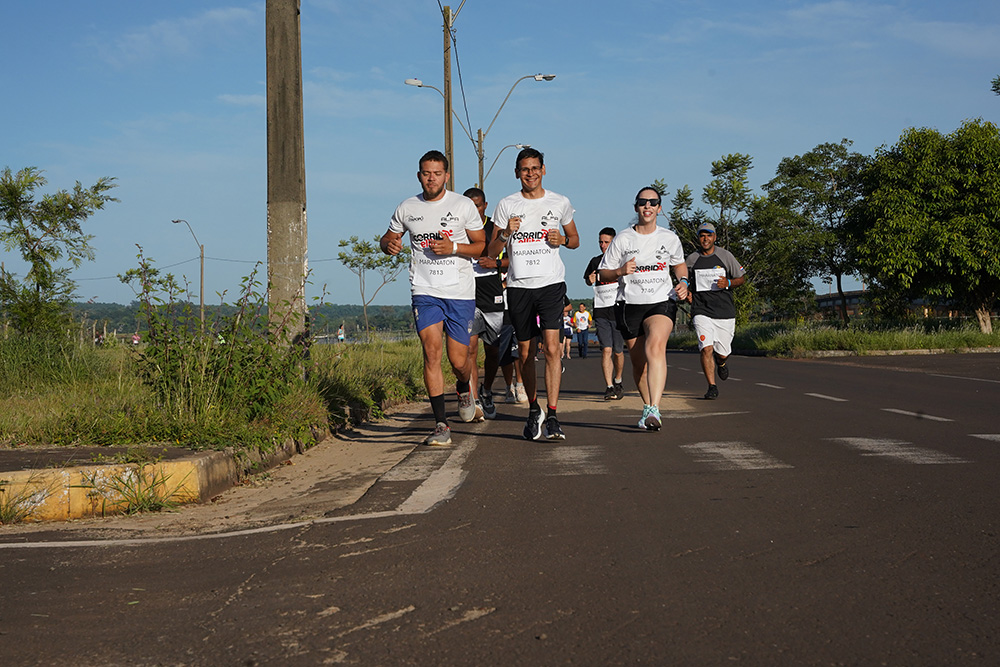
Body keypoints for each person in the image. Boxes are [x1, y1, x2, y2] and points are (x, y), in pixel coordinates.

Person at [381, 150, 486, 445]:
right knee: (431, 352)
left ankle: (464, 388)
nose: (431, 179)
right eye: (426, 174)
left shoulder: (463, 205)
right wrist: (388, 245)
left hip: (459, 292)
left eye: (437, 174)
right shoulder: (407, 207)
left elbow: (481, 246)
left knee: (459, 361)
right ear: (419, 176)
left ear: (447, 176)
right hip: (424, 291)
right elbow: (387, 238)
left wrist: (454, 248)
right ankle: (441, 425)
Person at [487, 147, 579, 440]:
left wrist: (562, 239)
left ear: (543, 170)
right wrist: (505, 233)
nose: (530, 174)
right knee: (525, 353)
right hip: (518, 287)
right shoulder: (507, 205)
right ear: (517, 173)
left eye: (535, 168)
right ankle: (533, 409)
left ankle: (552, 415)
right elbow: (490, 251)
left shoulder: (560, 202)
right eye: (525, 169)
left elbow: (575, 240)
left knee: (552, 349)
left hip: (551, 284)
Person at [599, 186, 689, 431]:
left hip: (661, 301)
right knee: (639, 365)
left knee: (655, 347)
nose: (647, 206)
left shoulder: (669, 238)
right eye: (642, 202)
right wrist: (620, 271)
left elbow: (679, 265)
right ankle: (648, 406)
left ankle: (654, 409)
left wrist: (683, 282)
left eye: (653, 202)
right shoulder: (623, 239)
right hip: (629, 305)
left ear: (659, 208)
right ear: (636, 207)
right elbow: (603, 273)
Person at [685, 221, 746, 399]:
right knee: (706, 348)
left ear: (715, 237)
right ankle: (712, 386)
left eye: (709, 235)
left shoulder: (725, 256)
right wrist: (687, 292)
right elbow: (683, 279)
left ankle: (721, 363)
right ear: (698, 238)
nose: (705, 239)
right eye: (702, 235)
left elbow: (741, 278)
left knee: (722, 353)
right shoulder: (692, 259)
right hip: (701, 310)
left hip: (724, 312)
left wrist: (728, 282)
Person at [463, 186, 506, 421]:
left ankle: (486, 390)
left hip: (492, 292)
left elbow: (513, 259)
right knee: (470, 348)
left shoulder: (494, 228)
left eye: (477, 206)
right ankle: (474, 399)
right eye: (469, 205)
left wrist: (496, 264)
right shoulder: (458, 228)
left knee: (493, 349)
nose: (473, 209)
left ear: (485, 206)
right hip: (467, 292)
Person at [585, 227, 625, 400]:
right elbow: (587, 280)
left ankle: (618, 380)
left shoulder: (621, 261)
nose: (602, 245)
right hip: (601, 310)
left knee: (618, 351)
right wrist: (590, 280)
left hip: (617, 309)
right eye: (600, 242)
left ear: (613, 242)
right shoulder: (595, 262)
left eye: (606, 242)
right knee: (606, 349)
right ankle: (609, 386)